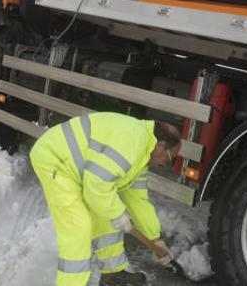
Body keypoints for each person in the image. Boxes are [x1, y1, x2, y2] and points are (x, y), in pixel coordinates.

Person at [29, 112, 182, 285]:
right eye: (169, 158)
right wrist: (118, 214)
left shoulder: (142, 156)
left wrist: (155, 239)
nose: (164, 163)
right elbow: (97, 183)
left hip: (78, 169)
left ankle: (112, 274)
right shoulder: (133, 141)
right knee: (78, 227)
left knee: (106, 215)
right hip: (56, 159)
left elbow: (138, 201)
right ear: (161, 146)